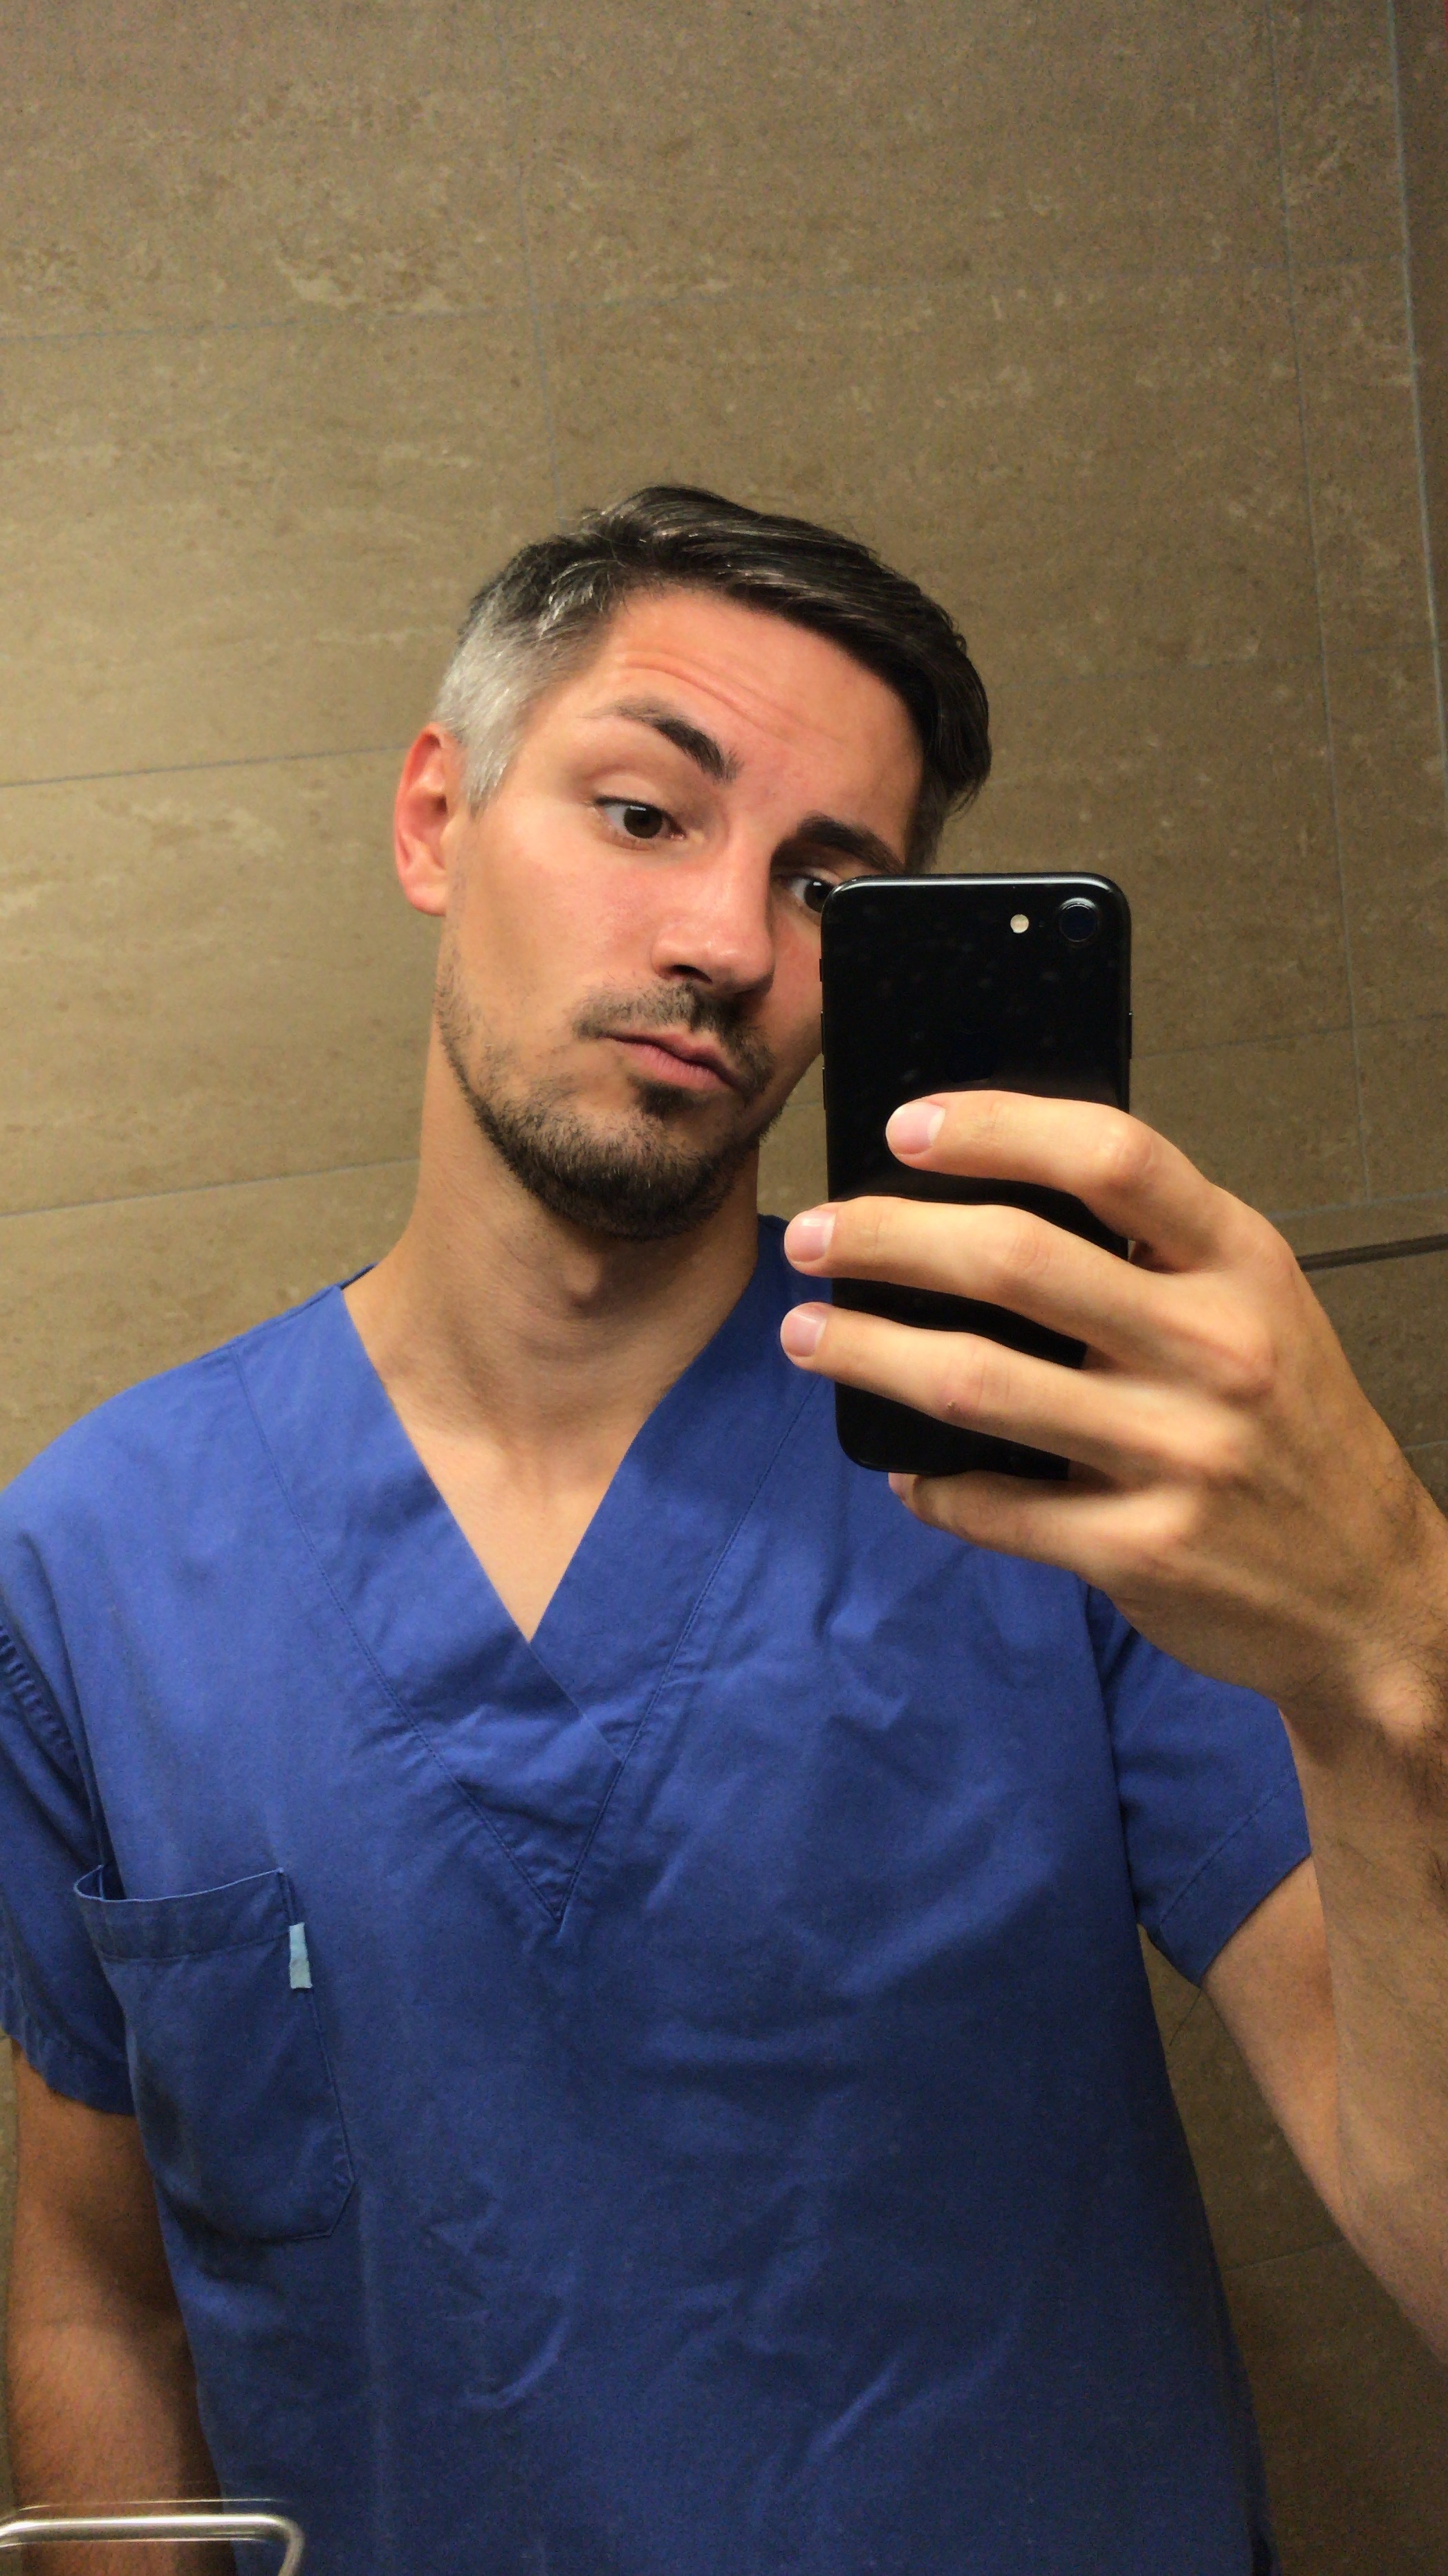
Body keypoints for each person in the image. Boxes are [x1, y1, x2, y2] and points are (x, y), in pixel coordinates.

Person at [3, 488, 1446, 2576]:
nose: (730, 945)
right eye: (644, 813)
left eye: (825, 884)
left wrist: (1395, 1634)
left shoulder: (1052, 1474)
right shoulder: (99, 1567)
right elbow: (92, 2296)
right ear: (435, 818)